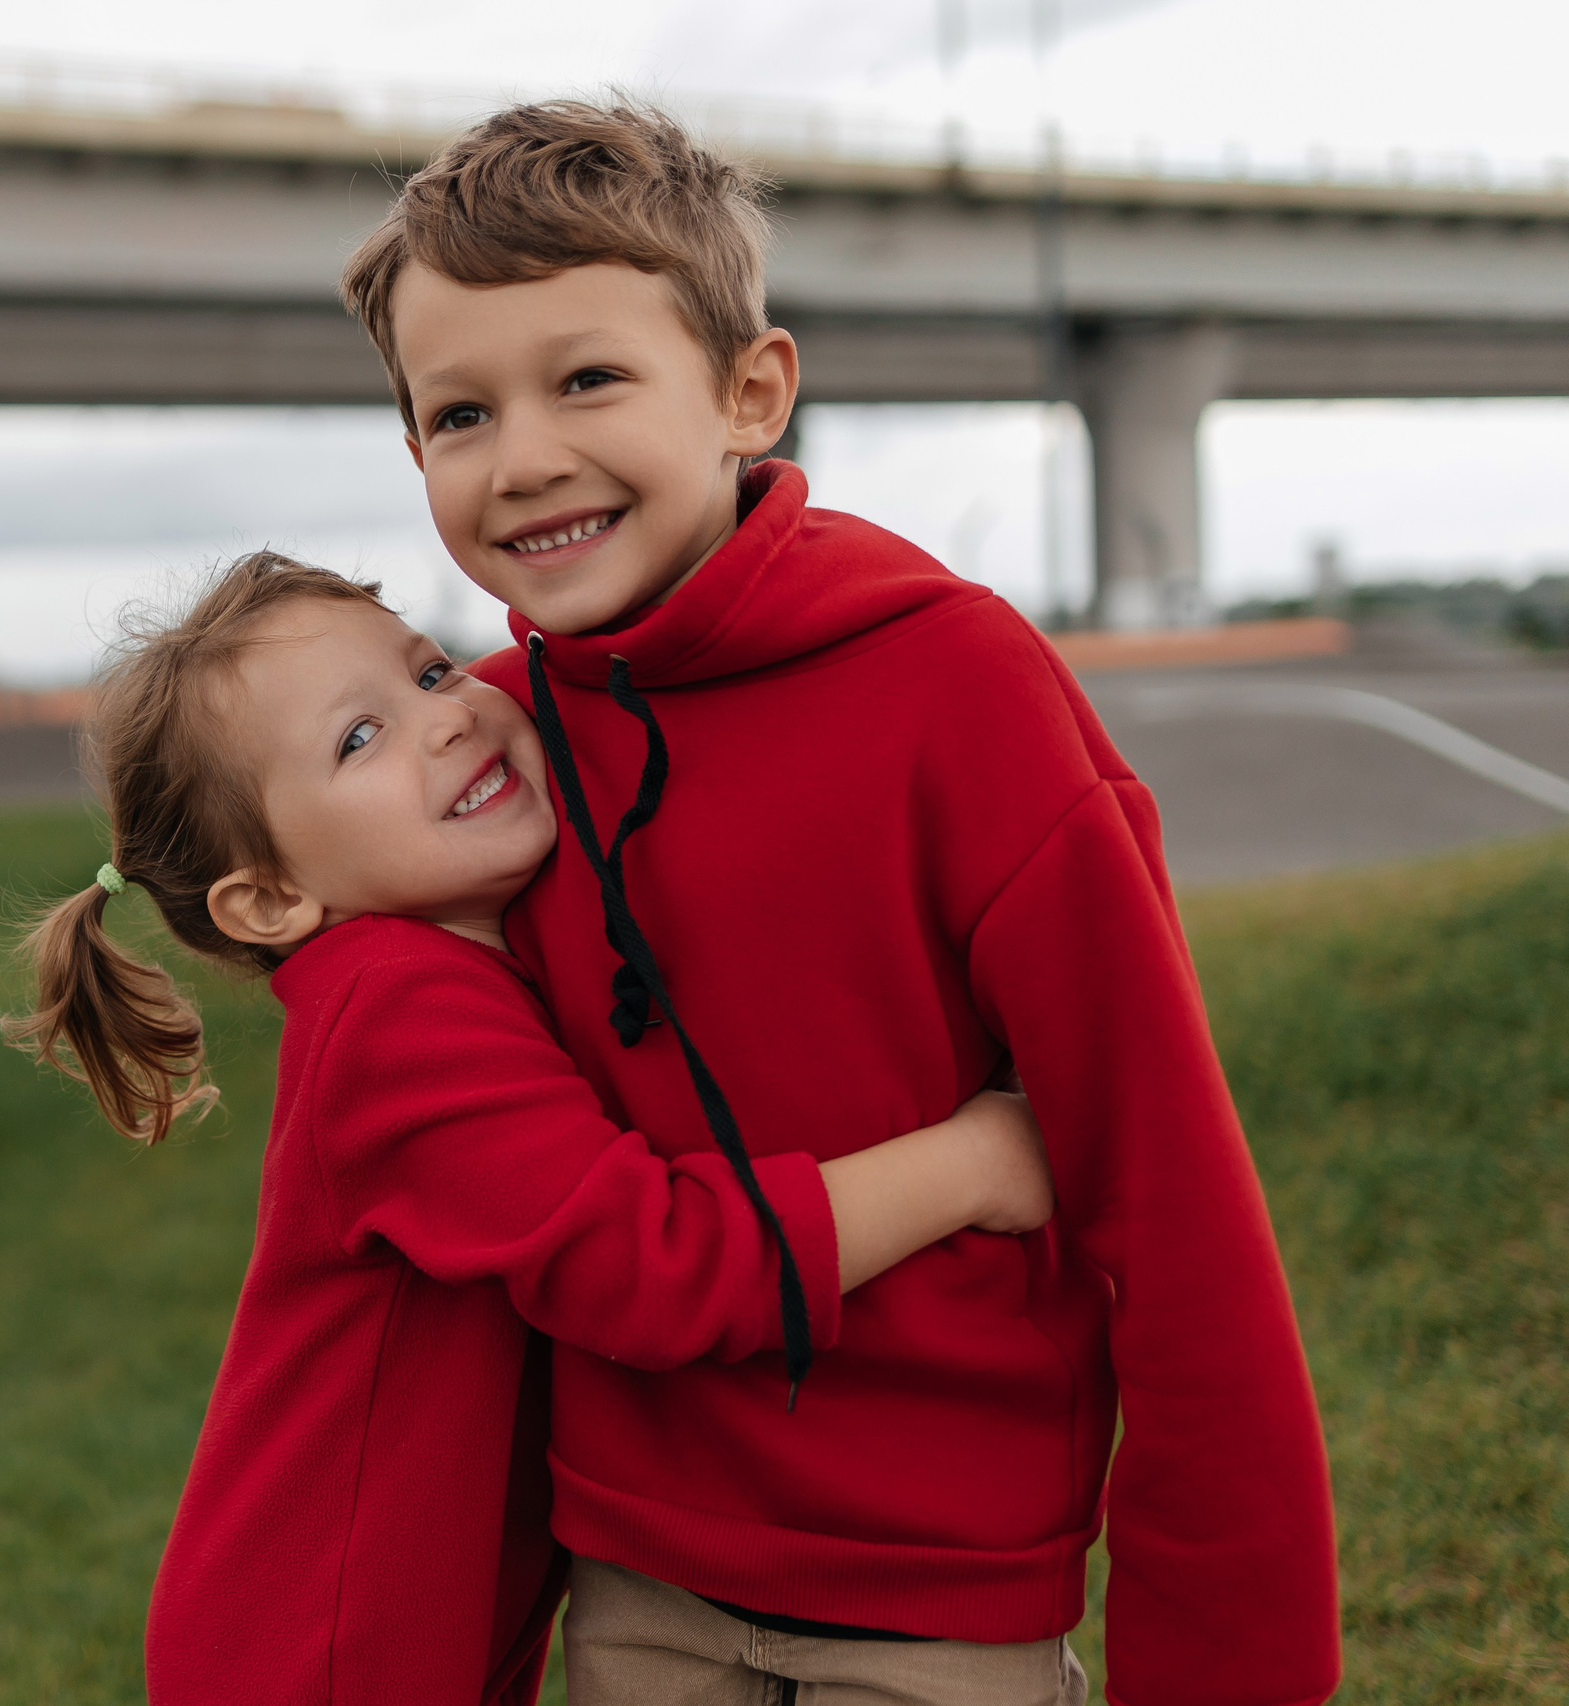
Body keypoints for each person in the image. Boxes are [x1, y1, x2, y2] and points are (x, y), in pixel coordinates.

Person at [337, 100, 1338, 1703]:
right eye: (459, 414)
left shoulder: (964, 694)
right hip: (635, 1583)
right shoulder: (498, 761)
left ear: (751, 392)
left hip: (946, 1605)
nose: (523, 459)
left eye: (588, 378)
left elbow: (1174, 1208)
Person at [5, 553, 1061, 1704]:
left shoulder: (430, 940)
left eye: (432, 666)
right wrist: (972, 1164)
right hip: (322, 1662)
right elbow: (646, 1265)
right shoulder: (390, 1009)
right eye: (359, 739)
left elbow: (540, 686)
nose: (448, 721)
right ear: (269, 903)